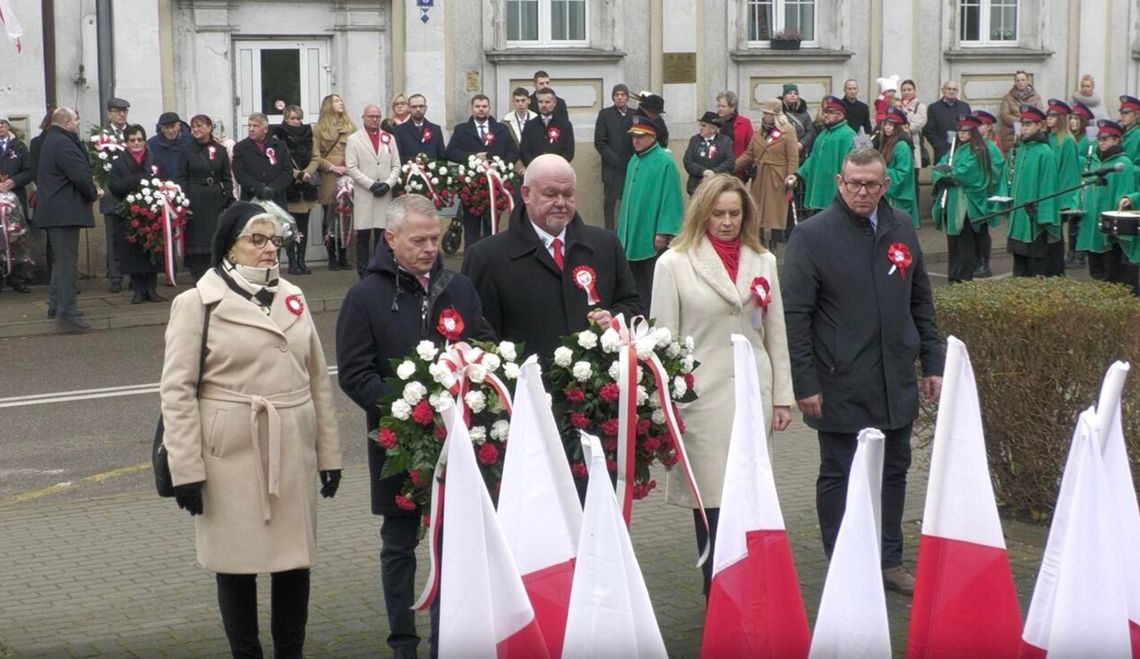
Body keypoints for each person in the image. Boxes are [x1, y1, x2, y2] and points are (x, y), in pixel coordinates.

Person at [160, 201, 342, 659]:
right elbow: (177, 392)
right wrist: (187, 469)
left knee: (293, 563)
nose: (268, 250)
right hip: (229, 455)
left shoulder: (293, 296)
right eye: (255, 240)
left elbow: (318, 378)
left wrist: (329, 454)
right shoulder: (196, 303)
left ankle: (290, 652)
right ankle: (246, 653)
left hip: (291, 447)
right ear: (229, 247)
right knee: (236, 564)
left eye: (273, 240)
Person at [781, 146, 944, 596]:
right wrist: (805, 381)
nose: (862, 192)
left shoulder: (902, 225)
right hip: (838, 381)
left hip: (895, 377)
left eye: (871, 184)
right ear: (839, 182)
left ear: (885, 184)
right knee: (839, 473)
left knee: (895, 470)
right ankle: (842, 560)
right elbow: (795, 316)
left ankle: (890, 559)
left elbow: (921, 300)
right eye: (854, 183)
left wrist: (933, 361)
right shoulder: (812, 236)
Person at [336, 194, 489, 659]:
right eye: (418, 240)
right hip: (399, 441)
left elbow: (484, 344)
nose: (429, 248)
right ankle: (403, 641)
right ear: (391, 239)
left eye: (435, 239)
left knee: (453, 542)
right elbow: (355, 373)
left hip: (459, 441)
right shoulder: (364, 296)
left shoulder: (458, 287)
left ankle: (448, 638)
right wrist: (406, 408)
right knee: (399, 543)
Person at [649, 174, 792, 594]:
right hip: (701, 405)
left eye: (735, 213)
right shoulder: (673, 264)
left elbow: (776, 332)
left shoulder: (762, 260)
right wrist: (664, 411)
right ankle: (719, 595)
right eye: (719, 214)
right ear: (702, 213)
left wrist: (782, 397)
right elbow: (663, 342)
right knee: (712, 506)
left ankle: (753, 592)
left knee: (751, 501)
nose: (727, 222)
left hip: (753, 399)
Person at [462, 154, 643, 363]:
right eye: (550, 194)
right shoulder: (487, 257)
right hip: (527, 388)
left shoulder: (606, 245)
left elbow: (633, 305)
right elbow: (480, 337)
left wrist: (613, 318)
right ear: (526, 194)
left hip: (596, 385)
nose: (560, 203)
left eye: (568, 194)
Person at [36, 107, 101, 331]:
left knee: (60, 263)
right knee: (67, 265)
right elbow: (80, 175)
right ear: (65, 122)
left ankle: (56, 305)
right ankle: (67, 313)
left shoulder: (53, 140)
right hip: (64, 212)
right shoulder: (63, 143)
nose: (78, 123)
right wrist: (94, 193)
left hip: (57, 211)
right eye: (76, 120)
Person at [616, 115, 684, 307]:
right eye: (633, 136)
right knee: (632, 281)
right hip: (631, 231)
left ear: (652, 137)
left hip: (651, 233)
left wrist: (663, 231)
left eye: (641, 136)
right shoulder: (633, 160)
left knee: (651, 281)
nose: (635, 140)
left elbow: (671, 198)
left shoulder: (665, 162)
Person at [931, 114, 1003, 282]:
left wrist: (950, 175)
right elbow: (939, 167)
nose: (962, 134)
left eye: (966, 131)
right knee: (953, 242)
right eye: (959, 131)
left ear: (973, 132)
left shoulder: (978, 150)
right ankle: (954, 275)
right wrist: (941, 175)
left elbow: (968, 172)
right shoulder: (955, 149)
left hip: (965, 204)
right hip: (952, 200)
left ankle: (963, 277)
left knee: (964, 243)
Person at [444, 94, 519, 247]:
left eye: (484, 106)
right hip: (470, 187)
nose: (481, 110)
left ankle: (491, 265)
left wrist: (499, 165)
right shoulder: (461, 129)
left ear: (489, 108)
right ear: (472, 109)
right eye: (477, 106)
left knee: (492, 228)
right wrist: (472, 156)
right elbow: (450, 152)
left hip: (495, 187)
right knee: (471, 228)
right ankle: (470, 264)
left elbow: (513, 152)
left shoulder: (501, 129)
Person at [1080, 120, 1139, 294]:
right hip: (1094, 224)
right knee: (1097, 271)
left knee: (1114, 274)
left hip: (1112, 228)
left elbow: (1124, 193)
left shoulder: (1123, 164)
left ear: (1116, 140)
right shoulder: (1097, 162)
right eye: (1100, 139)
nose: (1102, 142)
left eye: (1106, 139)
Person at [108, 125, 165, 303]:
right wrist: (135, 180)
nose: (136, 143)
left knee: (152, 250)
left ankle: (151, 288)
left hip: (152, 211)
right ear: (126, 142)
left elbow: (164, 180)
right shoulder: (119, 162)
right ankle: (138, 289)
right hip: (130, 212)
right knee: (133, 252)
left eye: (140, 139)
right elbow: (114, 187)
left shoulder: (154, 159)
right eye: (132, 140)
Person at [345, 104, 402, 279]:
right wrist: (370, 184)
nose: (374, 119)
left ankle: (381, 268)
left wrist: (388, 184)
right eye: (371, 116)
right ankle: (363, 272)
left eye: (377, 116)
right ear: (363, 118)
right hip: (365, 193)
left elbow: (396, 165)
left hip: (384, 192)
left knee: (382, 234)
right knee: (363, 234)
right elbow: (351, 167)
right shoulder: (354, 139)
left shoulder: (389, 138)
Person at [1005, 105, 1062, 277]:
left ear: (1040, 126)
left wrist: (1044, 217)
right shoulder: (1019, 149)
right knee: (1019, 265)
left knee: (1036, 266)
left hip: (1034, 219)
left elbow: (1048, 187)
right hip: (1018, 217)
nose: (1024, 128)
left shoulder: (1045, 152)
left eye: (1029, 124)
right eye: (1023, 124)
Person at [177, 115, 234, 283]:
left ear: (209, 128)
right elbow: (182, 177)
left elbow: (226, 177)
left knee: (213, 235)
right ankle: (197, 274)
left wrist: (228, 197)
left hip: (215, 199)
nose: (196, 129)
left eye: (200, 126)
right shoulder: (186, 150)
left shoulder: (220, 150)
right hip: (195, 198)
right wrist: (185, 199)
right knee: (196, 237)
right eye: (193, 126)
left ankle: (215, 271)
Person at [734, 100, 798, 245]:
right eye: (763, 113)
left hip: (778, 178)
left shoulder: (788, 130)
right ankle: (760, 242)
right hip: (760, 178)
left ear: (775, 114)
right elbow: (749, 154)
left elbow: (793, 157)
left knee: (775, 215)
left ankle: (775, 244)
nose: (764, 116)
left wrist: (791, 177)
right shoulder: (759, 131)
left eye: (767, 113)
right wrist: (731, 167)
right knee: (758, 213)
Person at [271, 105, 320, 275]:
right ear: (285, 119)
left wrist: (308, 173)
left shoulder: (308, 133)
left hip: (306, 186)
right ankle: (292, 261)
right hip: (290, 186)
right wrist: (297, 174)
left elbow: (316, 157)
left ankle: (301, 260)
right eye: (292, 118)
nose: (296, 122)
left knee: (303, 227)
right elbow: (280, 161)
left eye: (298, 118)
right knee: (290, 227)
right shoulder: (279, 135)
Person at [787, 96, 855, 212]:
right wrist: (797, 174)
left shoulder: (849, 135)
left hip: (835, 193)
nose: (825, 115)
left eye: (830, 113)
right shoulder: (823, 135)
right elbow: (813, 159)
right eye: (825, 112)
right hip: (818, 190)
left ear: (841, 115)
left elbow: (853, 167)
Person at [313, 94, 355, 270]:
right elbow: (315, 156)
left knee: (346, 216)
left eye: (341, 100)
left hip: (349, 175)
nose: (341, 103)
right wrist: (332, 167)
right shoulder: (319, 128)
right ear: (328, 105)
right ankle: (331, 257)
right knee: (330, 218)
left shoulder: (350, 126)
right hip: (329, 177)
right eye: (337, 101)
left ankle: (344, 256)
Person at [100, 97, 131, 293]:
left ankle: (134, 274)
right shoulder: (101, 136)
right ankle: (115, 277)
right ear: (109, 113)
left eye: (124, 111)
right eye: (117, 111)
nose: (121, 114)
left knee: (133, 236)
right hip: (111, 194)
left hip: (133, 193)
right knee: (113, 238)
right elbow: (97, 166)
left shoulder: (133, 133)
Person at [0, 114, 34, 293]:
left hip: (15, 200)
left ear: (8, 126)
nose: (1, 127)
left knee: (17, 238)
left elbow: (29, 171)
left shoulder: (19, 146)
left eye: (3, 123)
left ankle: (19, 278)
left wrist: (13, 181)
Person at [594, 83, 634, 231]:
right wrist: (613, 159)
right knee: (609, 202)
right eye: (617, 95)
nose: (620, 98)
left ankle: (626, 229)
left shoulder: (634, 115)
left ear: (627, 97)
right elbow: (599, 142)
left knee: (628, 201)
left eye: (623, 95)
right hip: (612, 167)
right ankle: (610, 230)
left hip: (630, 165)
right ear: (612, 97)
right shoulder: (605, 114)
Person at [231, 113, 292, 210]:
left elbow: (287, 172)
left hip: (276, 199)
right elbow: (239, 173)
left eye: (255, 126)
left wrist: (273, 189)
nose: (251, 129)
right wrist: (260, 189)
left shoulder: (279, 146)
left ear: (265, 129)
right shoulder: (240, 148)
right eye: (249, 125)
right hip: (251, 199)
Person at [875, 108, 919, 226]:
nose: (887, 128)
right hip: (887, 193)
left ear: (898, 127)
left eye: (891, 125)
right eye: (886, 124)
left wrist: (880, 172)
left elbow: (902, 173)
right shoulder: (886, 143)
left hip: (897, 198)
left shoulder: (901, 146)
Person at [1065, 101, 1096, 270]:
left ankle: (1079, 254)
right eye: (1071, 118)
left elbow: (1090, 161)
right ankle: (1071, 251)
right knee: (1072, 219)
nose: (1072, 122)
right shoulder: (1072, 138)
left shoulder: (1088, 141)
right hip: (1073, 182)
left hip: (1084, 183)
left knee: (1080, 220)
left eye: (1077, 119)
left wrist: (1074, 159)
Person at [520, 87, 575, 165]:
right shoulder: (529, 125)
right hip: (536, 169)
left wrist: (556, 164)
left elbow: (569, 151)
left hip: (558, 169)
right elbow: (524, 151)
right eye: (540, 102)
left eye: (547, 102)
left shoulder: (565, 125)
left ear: (554, 103)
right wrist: (534, 165)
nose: (544, 105)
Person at [682, 111, 734, 195]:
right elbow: (687, 161)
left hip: (719, 187)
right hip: (697, 187)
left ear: (713, 129)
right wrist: (703, 171)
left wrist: (714, 172)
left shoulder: (725, 141)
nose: (700, 128)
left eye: (704, 125)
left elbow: (730, 162)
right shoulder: (694, 140)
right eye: (700, 125)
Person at [924, 80, 972, 165]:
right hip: (942, 152)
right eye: (949, 89)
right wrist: (938, 146)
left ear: (957, 92)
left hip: (962, 149)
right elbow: (929, 130)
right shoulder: (933, 108)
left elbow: (970, 127)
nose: (951, 91)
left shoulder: (964, 106)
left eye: (954, 89)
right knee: (942, 176)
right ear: (943, 90)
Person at [393, 94, 445, 165]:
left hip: (431, 173)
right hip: (408, 173)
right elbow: (397, 156)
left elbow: (442, 156)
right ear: (409, 108)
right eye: (414, 107)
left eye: (421, 106)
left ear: (426, 108)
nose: (418, 109)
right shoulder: (399, 130)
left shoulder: (436, 129)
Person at [998, 71, 1042, 149]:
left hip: (1030, 134)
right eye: (1018, 80)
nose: (1020, 82)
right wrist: (1020, 122)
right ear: (1015, 82)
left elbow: (1040, 114)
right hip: (1011, 135)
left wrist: (1028, 123)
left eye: (1023, 80)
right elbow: (1004, 115)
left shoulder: (1036, 98)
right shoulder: (1008, 98)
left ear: (1027, 81)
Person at [148, 112, 192, 181]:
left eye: (173, 127)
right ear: (161, 128)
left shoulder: (191, 141)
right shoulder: (151, 144)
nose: (170, 131)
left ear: (179, 125)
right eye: (166, 128)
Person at [898, 79, 928, 180]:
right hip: (898, 145)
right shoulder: (897, 106)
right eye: (904, 90)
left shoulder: (920, 106)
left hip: (914, 146)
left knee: (913, 179)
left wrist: (901, 128)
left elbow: (917, 124)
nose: (906, 92)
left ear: (914, 91)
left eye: (909, 89)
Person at [781, 83, 816, 161]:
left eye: (795, 94)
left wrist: (802, 144)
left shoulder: (803, 113)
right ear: (784, 96)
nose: (793, 95)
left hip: (800, 153)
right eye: (789, 93)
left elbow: (810, 131)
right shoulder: (779, 113)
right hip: (782, 152)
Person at [716, 90, 754, 161]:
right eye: (719, 106)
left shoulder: (745, 123)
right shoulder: (713, 122)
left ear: (733, 107)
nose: (720, 109)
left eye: (723, 106)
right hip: (717, 167)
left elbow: (751, 148)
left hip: (738, 165)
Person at [502, 87, 537, 151]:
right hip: (514, 158)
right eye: (517, 101)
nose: (520, 104)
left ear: (529, 101)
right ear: (513, 102)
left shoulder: (536, 119)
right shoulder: (505, 121)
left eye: (523, 100)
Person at [1119, 95, 1140, 165]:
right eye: (1122, 113)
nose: (1123, 116)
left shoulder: (1138, 134)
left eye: (1127, 113)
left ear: (1136, 115)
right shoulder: (1119, 133)